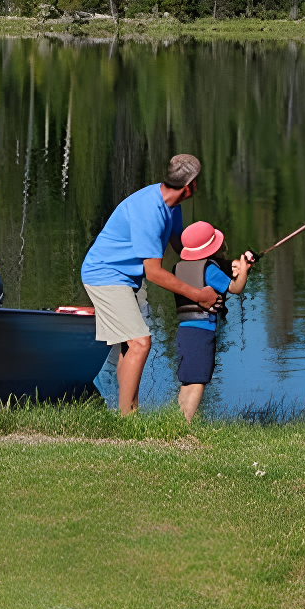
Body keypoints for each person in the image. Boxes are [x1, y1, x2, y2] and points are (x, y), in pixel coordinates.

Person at [81, 153, 216, 413]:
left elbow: (181, 247)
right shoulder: (150, 211)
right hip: (105, 275)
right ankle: (129, 420)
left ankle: (121, 414)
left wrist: (222, 264)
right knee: (141, 341)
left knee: (129, 346)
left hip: (123, 278)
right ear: (191, 185)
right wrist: (198, 295)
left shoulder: (170, 205)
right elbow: (153, 273)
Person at [170, 220, 256, 422]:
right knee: (198, 380)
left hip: (184, 330)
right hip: (202, 331)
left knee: (187, 379)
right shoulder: (208, 269)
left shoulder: (179, 268)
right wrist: (243, 270)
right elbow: (235, 288)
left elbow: (222, 271)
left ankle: (179, 420)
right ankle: (186, 424)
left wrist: (238, 267)